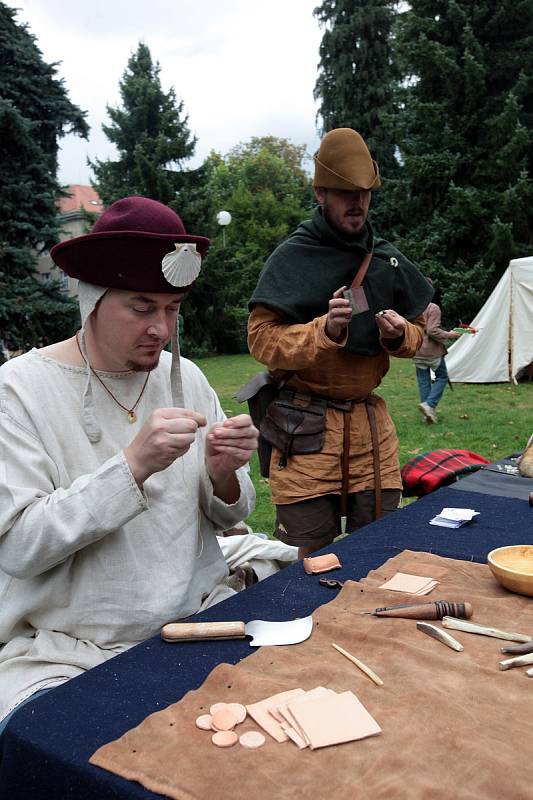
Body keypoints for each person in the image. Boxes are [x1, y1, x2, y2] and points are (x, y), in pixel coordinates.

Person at [0, 196, 258, 728]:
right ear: (93, 299)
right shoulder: (19, 390)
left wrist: (223, 474)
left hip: (198, 619)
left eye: (172, 309)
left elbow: (230, 517)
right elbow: (21, 547)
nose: (160, 329)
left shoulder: (185, 377)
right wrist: (133, 464)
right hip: (69, 650)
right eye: (141, 307)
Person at [247, 128, 433, 558]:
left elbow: (419, 329)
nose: (358, 202)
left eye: (365, 192)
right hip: (305, 430)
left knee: (382, 553)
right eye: (345, 192)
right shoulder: (294, 255)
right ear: (320, 192)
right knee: (308, 562)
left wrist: (400, 334)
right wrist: (324, 331)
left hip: (371, 432)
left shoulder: (385, 257)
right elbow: (260, 339)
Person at [414, 289, 460, 423]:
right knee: (442, 377)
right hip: (431, 352)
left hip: (416, 350)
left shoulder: (413, 306)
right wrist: (450, 335)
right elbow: (432, 330)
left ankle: (427, 414)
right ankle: (430, 405)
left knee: (423, 381)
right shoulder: (432, 307)